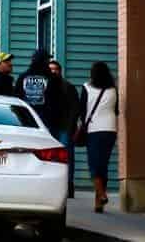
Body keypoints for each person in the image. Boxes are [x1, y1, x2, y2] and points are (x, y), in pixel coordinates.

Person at [80, 61, 118, 213]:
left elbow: (82, 111)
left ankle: (101, 194)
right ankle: (98, 203)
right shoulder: (113, 89)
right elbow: (116, 110)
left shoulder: (86, 88)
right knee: (103, 165)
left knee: (94, 164)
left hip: (94, 130)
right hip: (110, 130)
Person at [49, 58, 80, 198]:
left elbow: (75, 109)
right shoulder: (45, 88)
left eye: (56, 69)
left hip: (64, 129)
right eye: (51, 69)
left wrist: (70, 127)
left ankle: (68, 186)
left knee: (67, 158)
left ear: (60, 71)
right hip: (49, 128)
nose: (53, 72)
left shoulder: (69, 87)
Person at [15, 49, 65, 134]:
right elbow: (58, 100)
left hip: (27, 120)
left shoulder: (22, 77)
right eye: (47, 60)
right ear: (44, 61)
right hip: (48, 121)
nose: (48, 63)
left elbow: (17, 98)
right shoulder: (53, 79)